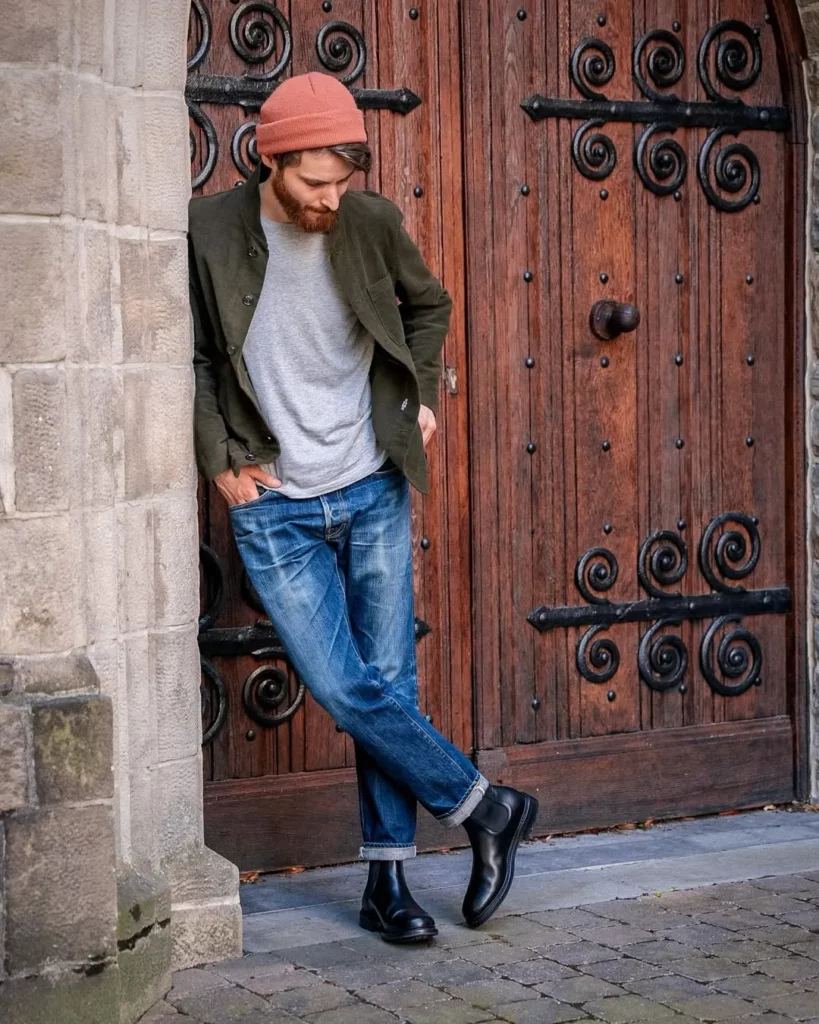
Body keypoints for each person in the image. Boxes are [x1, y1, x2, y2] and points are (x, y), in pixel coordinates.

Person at [188, 71, 538, 942]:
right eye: (314, 182)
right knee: (345, 687)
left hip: (370, 482)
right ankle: (485, 807)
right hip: (273, 502)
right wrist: (219, 461)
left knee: (387, 683)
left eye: (342, 180)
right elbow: (192, 354)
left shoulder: (371, 221)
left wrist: (418, 390)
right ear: (270, 161)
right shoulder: (207, 232)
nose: (330, 198)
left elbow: (431, 306)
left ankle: (388, 886)